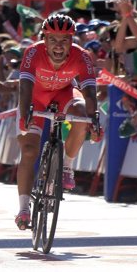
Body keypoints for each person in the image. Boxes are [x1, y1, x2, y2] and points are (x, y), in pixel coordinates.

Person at [15, 14, 101, 230]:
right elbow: (25, 86)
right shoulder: (33, 52)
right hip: (35, 98)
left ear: (72, 41)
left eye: (64, 40)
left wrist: (94, 119)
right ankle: (24, 209)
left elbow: (90, 92)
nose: (59, 46)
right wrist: (26, 112)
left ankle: (67, 167)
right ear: (44, 39)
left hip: (63, 93)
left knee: (81, 114)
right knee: (28, 151)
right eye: (53, 39)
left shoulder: (82, 56)